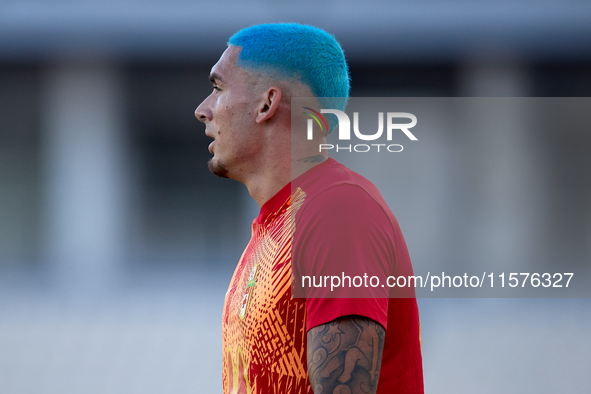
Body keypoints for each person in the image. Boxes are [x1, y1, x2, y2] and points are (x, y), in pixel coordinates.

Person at [195, 23, 423, 394]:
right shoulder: (275, 226)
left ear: (266, 104)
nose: (202, 110)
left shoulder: (338, 209)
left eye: (218, 88)